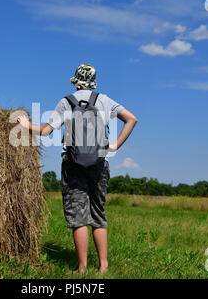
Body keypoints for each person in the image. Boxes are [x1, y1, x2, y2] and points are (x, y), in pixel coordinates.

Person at [18, 64, 137, 274]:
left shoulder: (66, 102)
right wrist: (116, 145)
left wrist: (25, 124)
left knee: (77, 215)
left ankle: (81, 267)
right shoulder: (104, 100)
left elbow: (46, 131)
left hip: (73, 164)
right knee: (98, 213)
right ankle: (103, 266)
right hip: (100, 163)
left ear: (75, 80)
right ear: (94, 80)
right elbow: (131, 119)